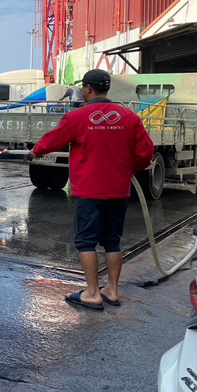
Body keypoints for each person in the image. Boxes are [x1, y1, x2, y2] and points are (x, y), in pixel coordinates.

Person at [29, 69, 154, 311]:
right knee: (112, 241)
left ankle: (92, 293)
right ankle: (112, 291)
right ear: (106, 88)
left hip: (90, 191)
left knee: (86, 242)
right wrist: (130, 168)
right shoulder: (129, 116)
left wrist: (37, 150)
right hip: (119, 189)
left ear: (87, 88)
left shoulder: (79, 117)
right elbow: (145, 153)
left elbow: (55, 139)